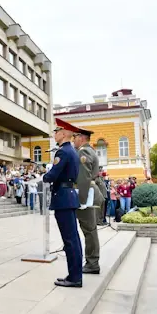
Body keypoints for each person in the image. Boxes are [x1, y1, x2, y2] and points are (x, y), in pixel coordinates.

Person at [42, 118, 83, 288]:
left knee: (69, 240)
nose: (54, 134)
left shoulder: (63, 152)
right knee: (73, 238)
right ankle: (75, 274)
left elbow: (52, 175)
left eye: (56, 131)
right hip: (69, 195)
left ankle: (74, 278)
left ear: (64, 133)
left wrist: (44, 176)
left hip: (63, 198)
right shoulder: (72, 151)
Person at [73, 126, 105, 275]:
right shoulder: (90, 150)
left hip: (87, 195)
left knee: (89, 230)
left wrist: (81, 200)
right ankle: (92, 261)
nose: (73, 140)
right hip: (92, 193)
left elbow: (84, 178)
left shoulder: (83, 151)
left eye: (75, 137)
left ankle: (92, 263)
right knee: (90, 230)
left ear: (81, 138)